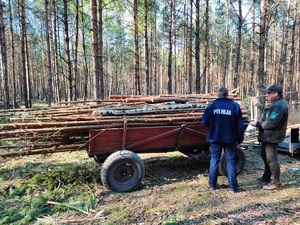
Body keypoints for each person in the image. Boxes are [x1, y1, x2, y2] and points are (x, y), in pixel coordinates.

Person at [202, 87, 244, 193]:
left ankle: (212, 185)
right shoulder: (235, 107)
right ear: (227, 94)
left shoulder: (211, 107)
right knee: (231, 161)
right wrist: (240, 139)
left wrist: (214, 125)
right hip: (230, 139)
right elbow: (240, 126)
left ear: (217, 95)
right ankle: (233, 187)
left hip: (215, 138)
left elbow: (204, 122)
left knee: (214, 160)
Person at [250, 85, 289, 190]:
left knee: (272, 160)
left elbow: (271, 124)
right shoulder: (275, 104)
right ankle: (267, 176)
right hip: (266, 136)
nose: (266, 95)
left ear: (276, 93)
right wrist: (257, 104)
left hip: (272, 137)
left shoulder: (280, 106)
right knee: (264, 155)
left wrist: (258, 124)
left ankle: (276, 183)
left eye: (268, 93)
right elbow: (267, 110)